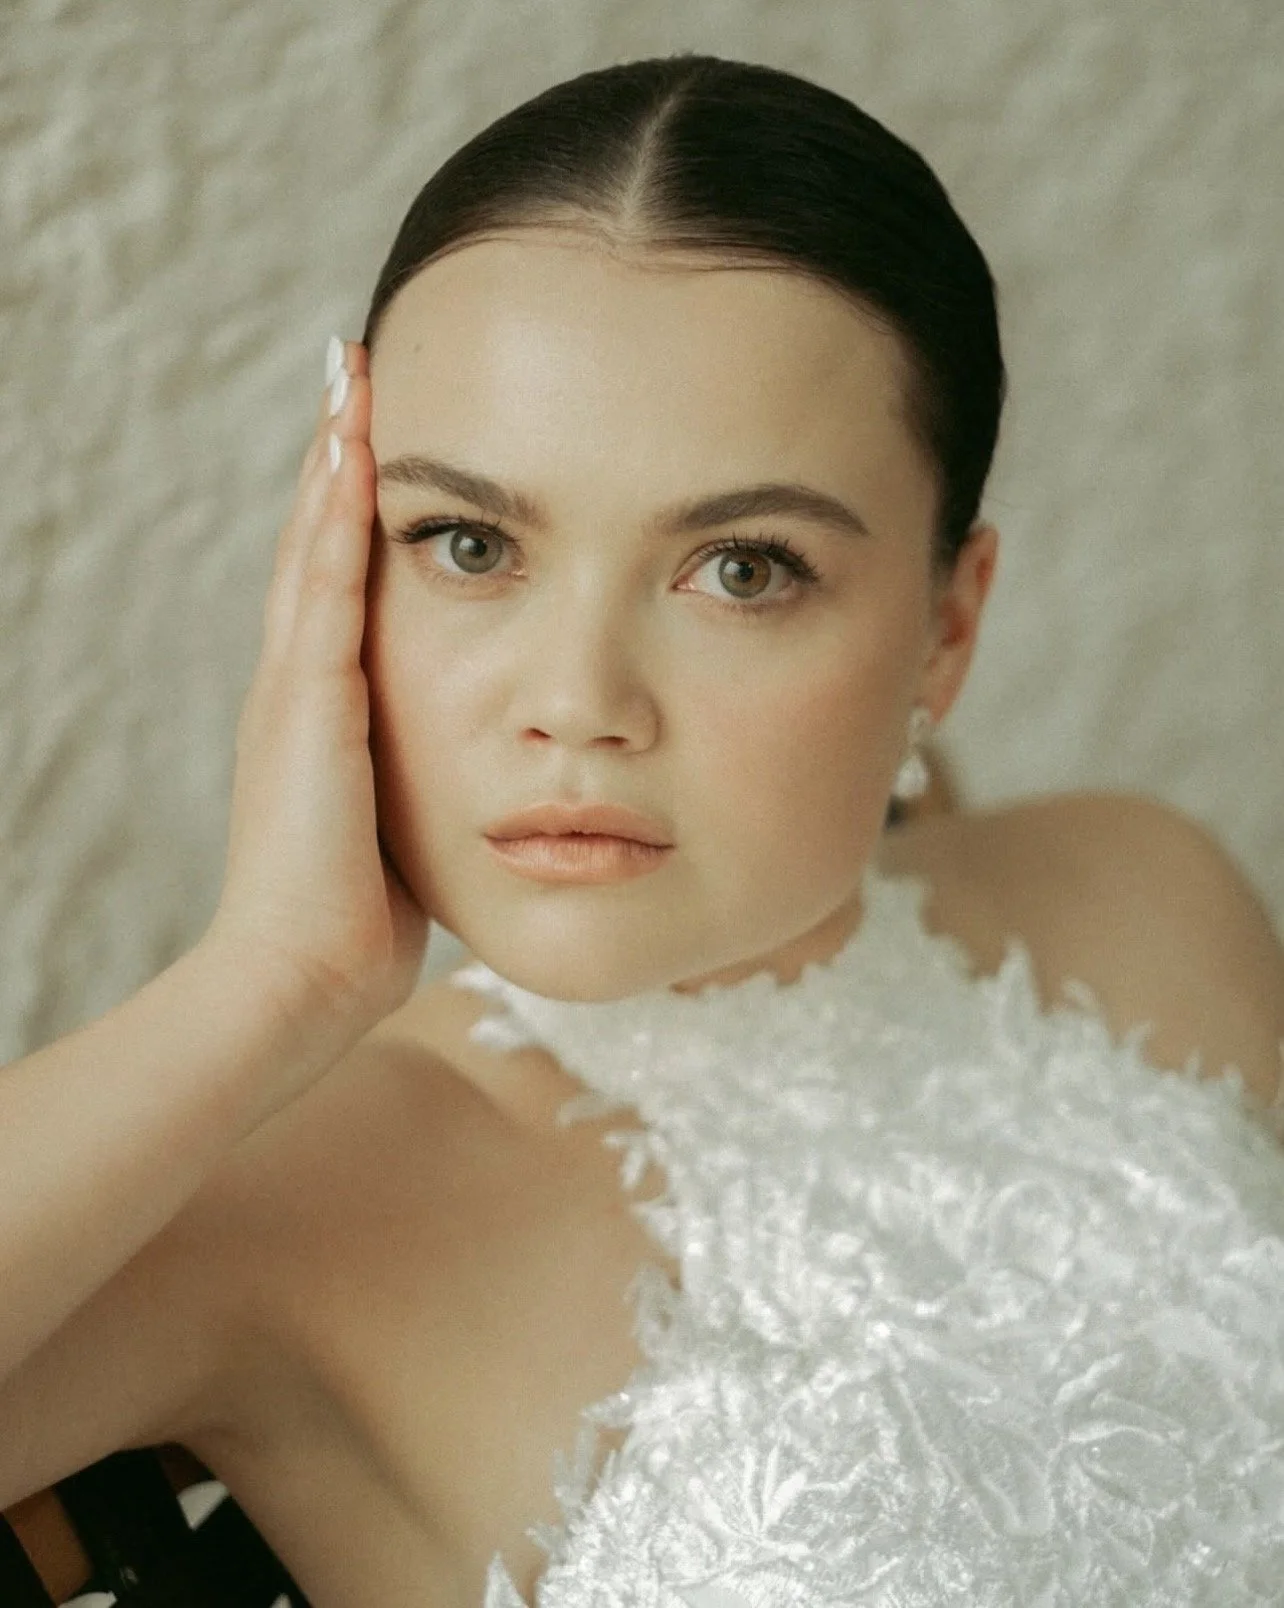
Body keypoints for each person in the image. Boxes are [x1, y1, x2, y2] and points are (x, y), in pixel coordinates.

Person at [3, 51, 1284, 1608]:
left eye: (742, 568)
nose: (579, 701)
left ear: (948, 626)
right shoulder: (299, 1200)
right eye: (467, 543)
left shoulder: (1140, 896)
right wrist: (272, 973)